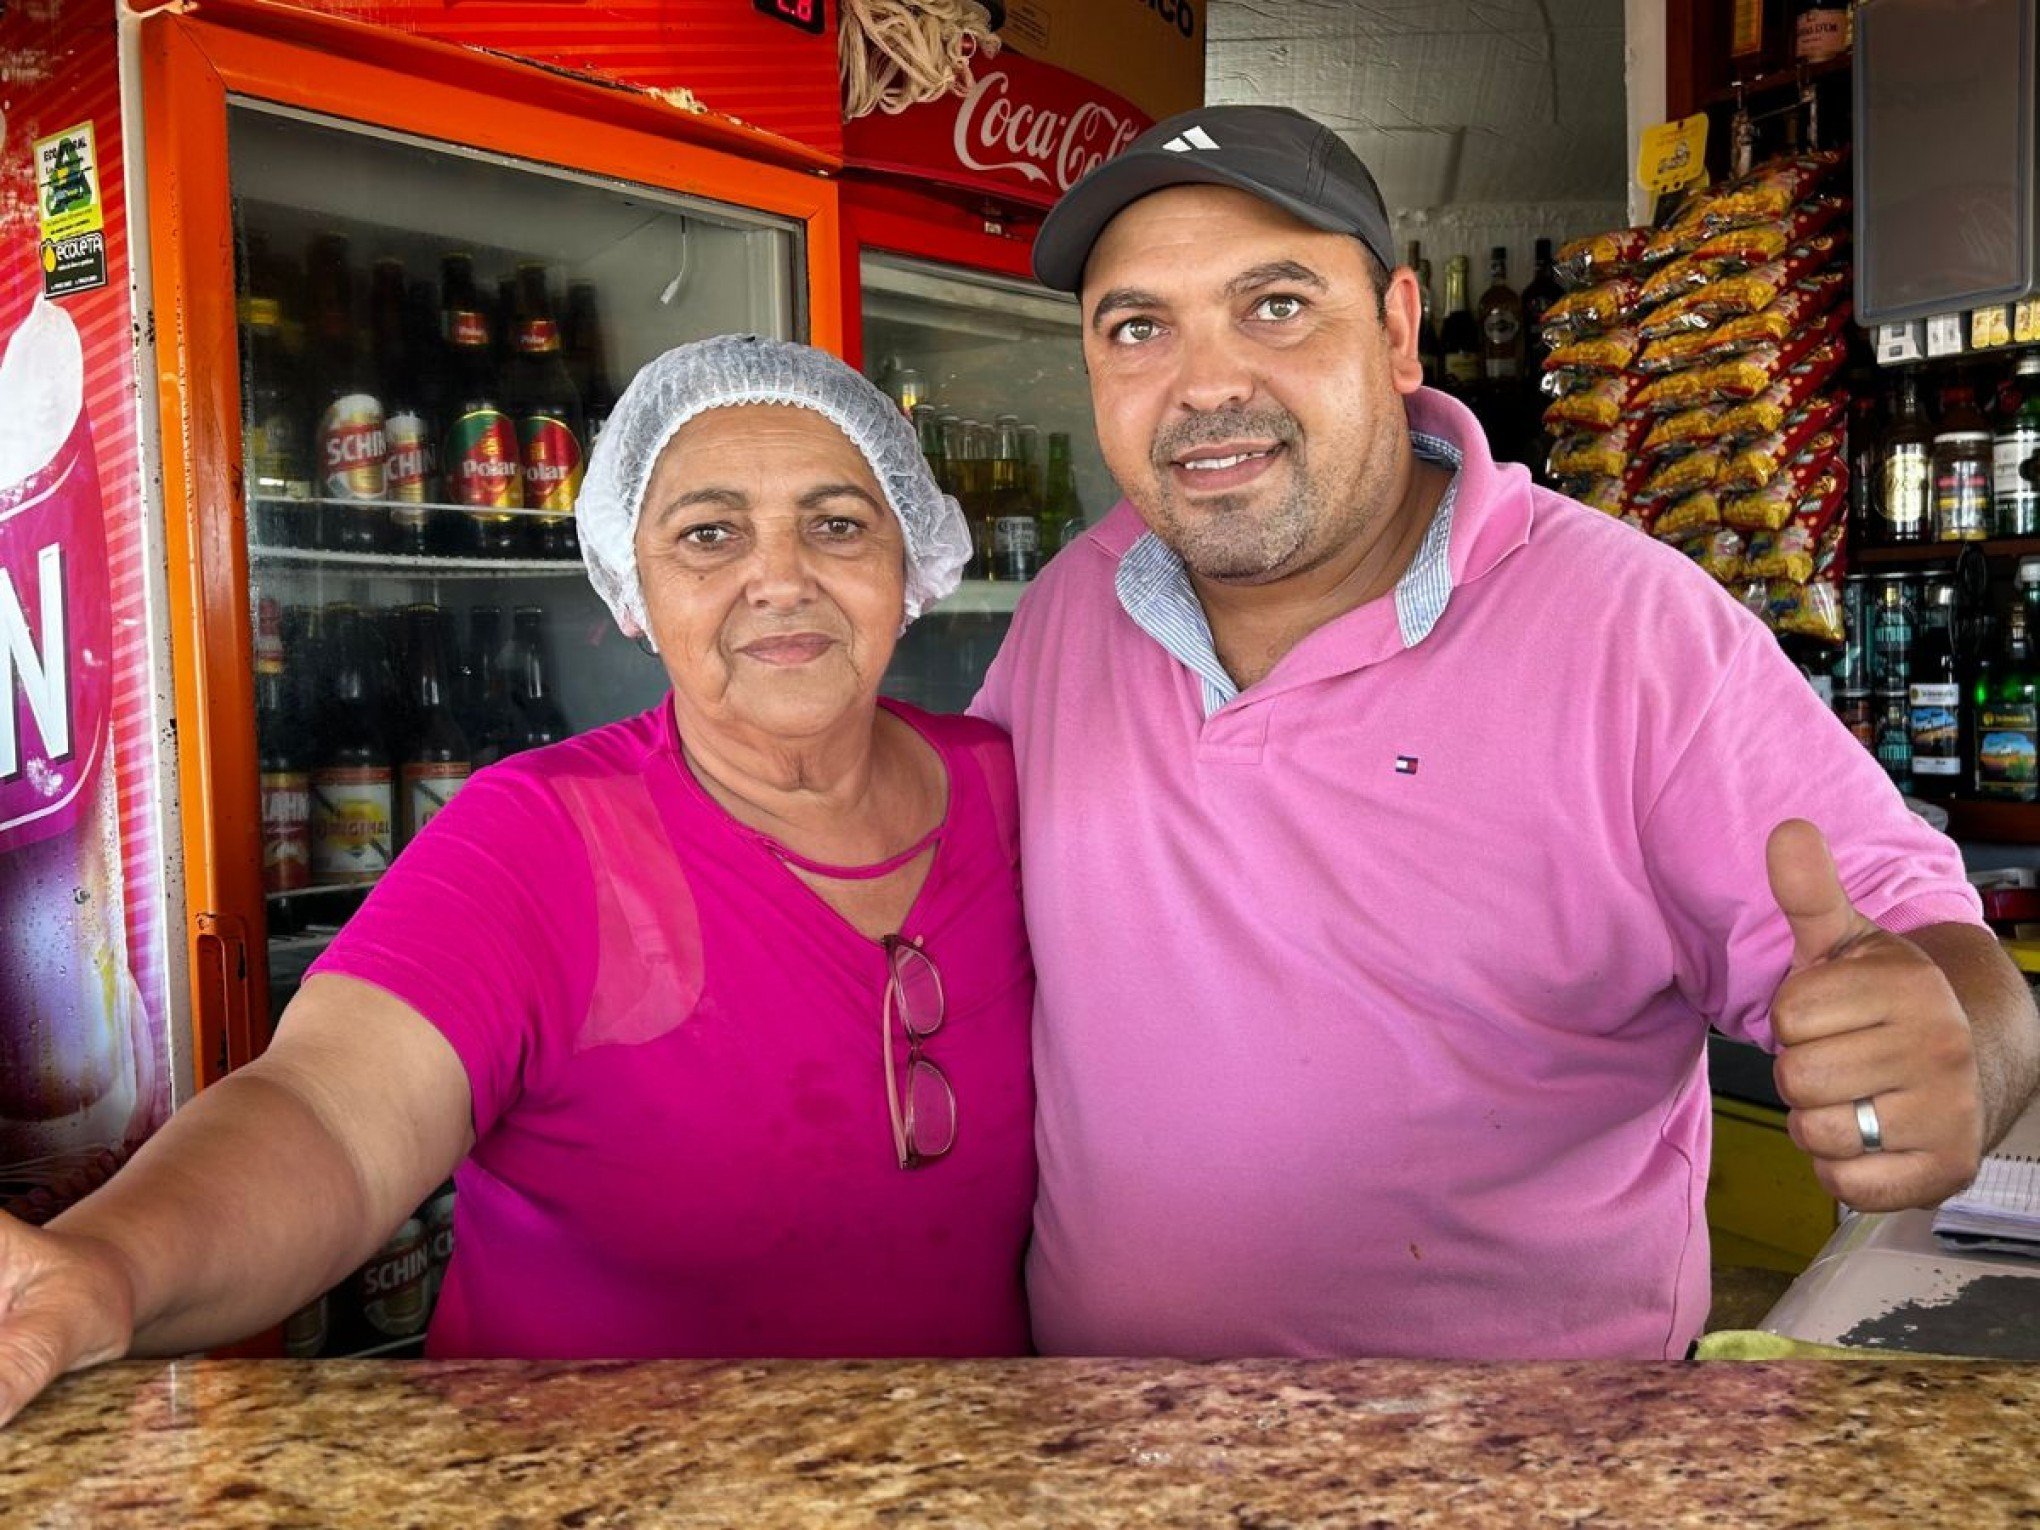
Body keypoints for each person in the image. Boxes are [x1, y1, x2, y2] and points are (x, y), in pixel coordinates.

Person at [975, 105, 2040, 1360]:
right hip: (1110, 1455)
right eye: (1140, 327)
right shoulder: (1066, 618)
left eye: (1275, 305)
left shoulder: (1631, 630)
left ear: (1395, 330)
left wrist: (1947, 1055)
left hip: (1526, 1471)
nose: (1207, 385)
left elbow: (1940, 965)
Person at [0, 336, 1035, 1426]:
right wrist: (113, 1263)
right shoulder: (540, 835)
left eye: (837, 525)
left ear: (908, 562)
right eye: (709, 533)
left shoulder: (1012, 788)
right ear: (631, 586)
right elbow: (329, 1114)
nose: (780, 577)